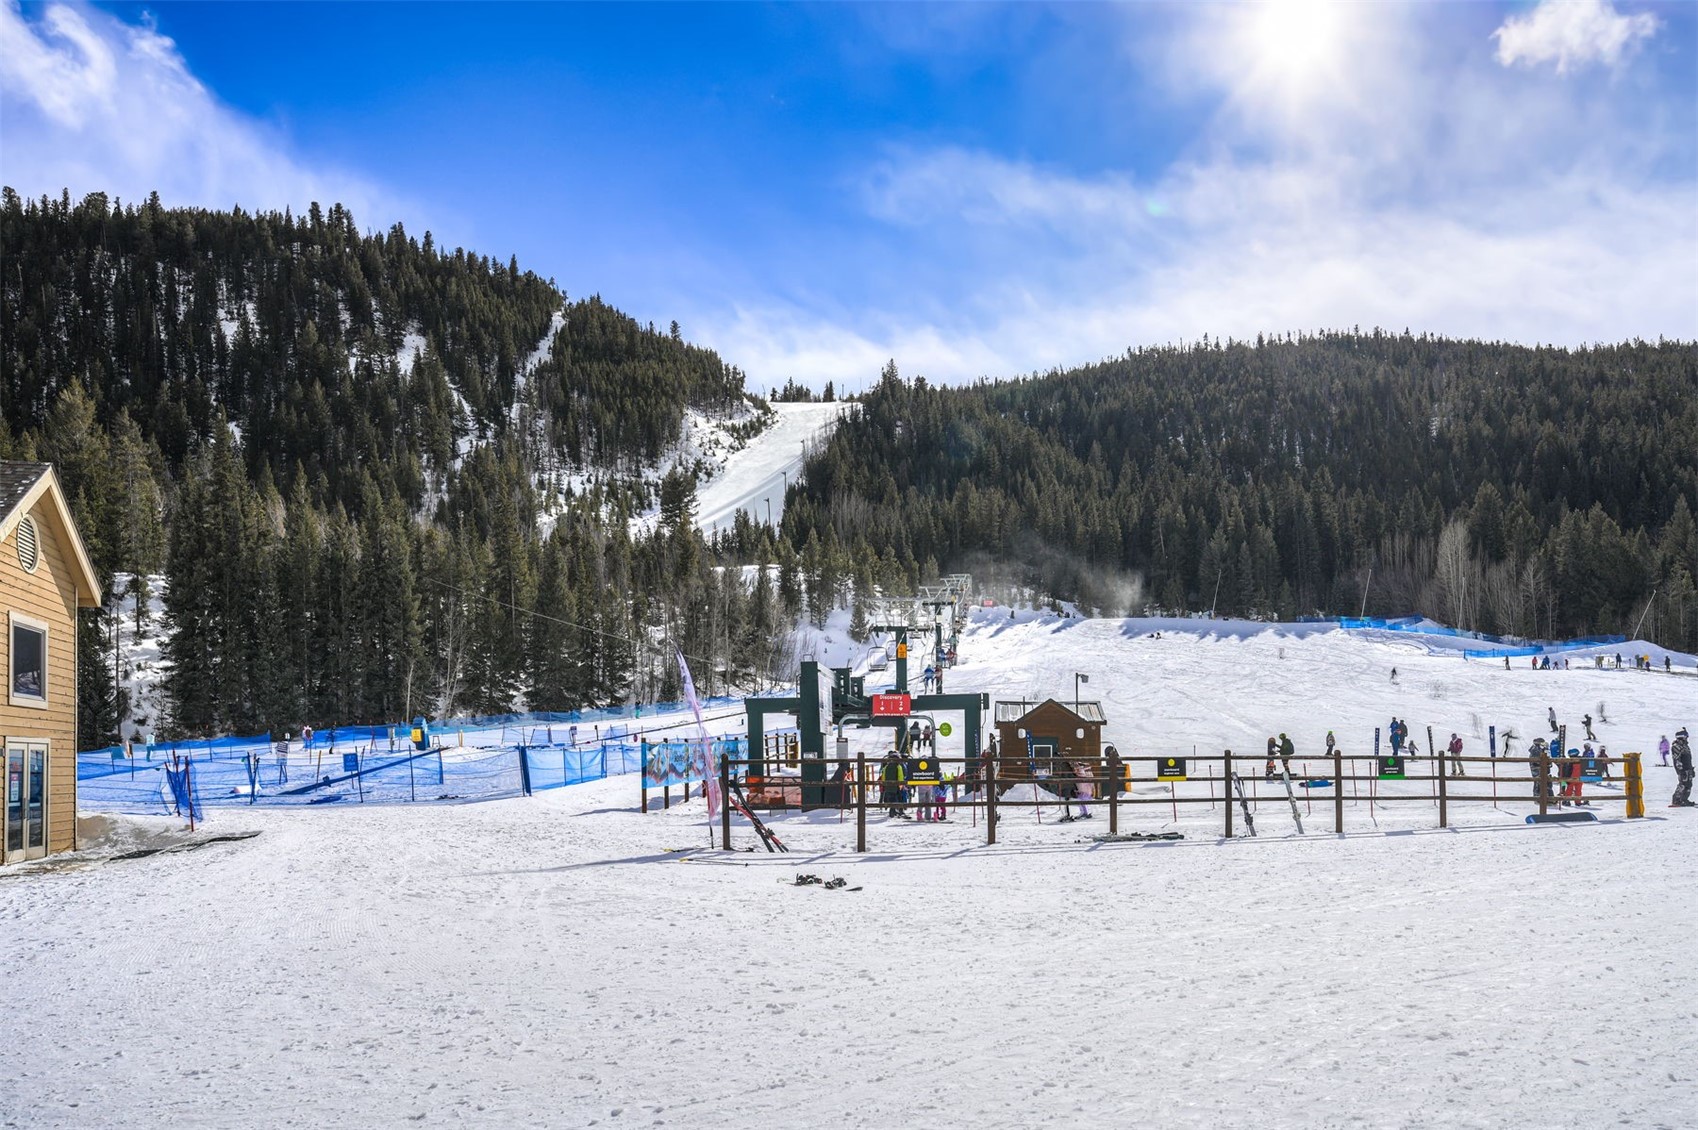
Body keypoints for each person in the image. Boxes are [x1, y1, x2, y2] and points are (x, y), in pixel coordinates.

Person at [879, 751, 907, 818]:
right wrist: (901, 784)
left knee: (891, 798)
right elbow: (901, 776)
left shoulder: (886, 767)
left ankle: (892, 811)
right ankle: (896, 810)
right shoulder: (898, 766)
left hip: (888, 786)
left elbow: (883, 776)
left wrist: (885, 784)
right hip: (896, 786)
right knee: (898, 798)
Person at [1672, 729, 1693, 807]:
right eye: (1686, 737)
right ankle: (1676, 800)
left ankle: (1684, 799)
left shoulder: (1685, 746)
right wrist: (1680, 770)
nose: (1687, 738)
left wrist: (1691, 769)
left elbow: (1688, 758)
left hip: (1688, 768)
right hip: (1682, 769)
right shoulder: (1676, 746)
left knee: (1689, 784)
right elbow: (1677, 759)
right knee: (1683, 784)